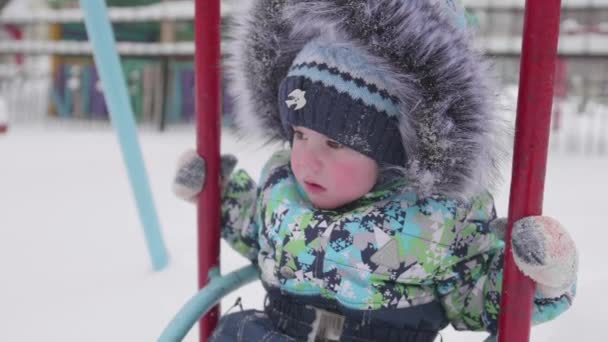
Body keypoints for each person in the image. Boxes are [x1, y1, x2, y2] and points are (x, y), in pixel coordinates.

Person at [173, 0, 578, 341]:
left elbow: (482, 292)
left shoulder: (435, 223)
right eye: (298, 134)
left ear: (392, 155)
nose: (307, 160)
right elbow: (252, 223)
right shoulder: (284, 187)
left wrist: (541, 281)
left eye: (335, 144)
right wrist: (216, 190)